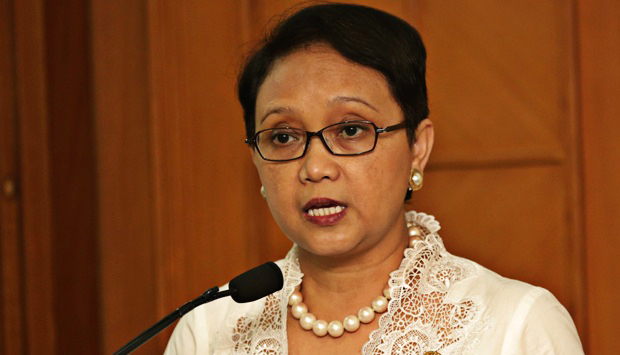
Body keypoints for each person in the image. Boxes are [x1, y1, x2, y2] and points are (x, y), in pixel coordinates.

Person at [166, 3, 583, 354]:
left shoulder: (517, 326)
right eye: (283, 136)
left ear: (417, 148)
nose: (315, 168)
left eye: (351, 130)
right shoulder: (208, 330)